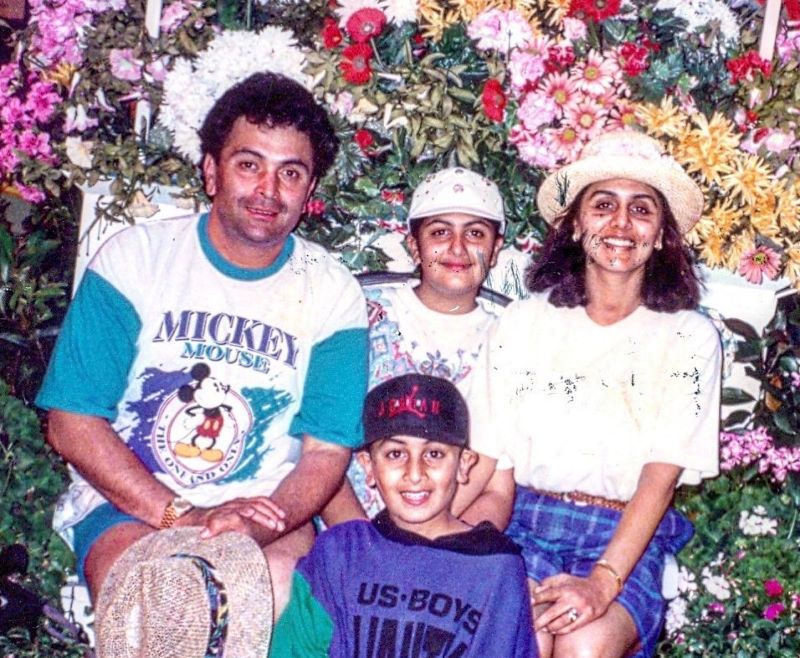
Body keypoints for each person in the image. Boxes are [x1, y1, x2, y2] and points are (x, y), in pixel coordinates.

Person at [35, 72, 369, 616]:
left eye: (290, 173)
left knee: (276, 595)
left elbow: (326, 453)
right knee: (153, 603)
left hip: (268, 512)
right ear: (211, 171)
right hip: (133, 503)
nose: (268, 190)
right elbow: (71, 421)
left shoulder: (332, 291)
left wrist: (261, 523)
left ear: (309, 191)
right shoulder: (135, 259)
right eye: (249, 164)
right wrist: (180, 516)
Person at [455, 130, 722, 658]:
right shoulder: (523, 322)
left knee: (584, 644)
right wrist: (417, 540)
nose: (621, 224)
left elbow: (660, 478)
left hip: (624, 537)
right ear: (576, 225)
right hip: (523, 525)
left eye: (641, 210)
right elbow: (484, 455)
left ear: (661, 235)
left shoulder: (690, 337)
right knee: (522, 636)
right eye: (603, 205)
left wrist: (602, 582)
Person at [271, 373, 538, 657]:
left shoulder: (495, 566)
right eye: (396, 454)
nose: (415, 473)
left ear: (463, 464)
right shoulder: (338, 551)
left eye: (434, 454)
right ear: (368, 466)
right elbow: (296, 650)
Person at [322, 167, 505, 523]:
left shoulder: (510, 339)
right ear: (414, 246)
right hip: (343, 524)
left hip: (445, 533)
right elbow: (323, 443)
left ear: (495, 249)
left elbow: (495, 478)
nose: (457, 247)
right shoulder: (359, 313)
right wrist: (361, 540)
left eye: (475, 233)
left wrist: (432, 542)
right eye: (440, 232)